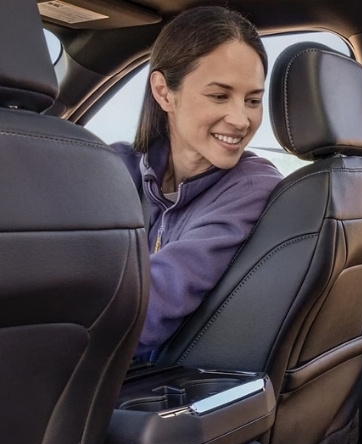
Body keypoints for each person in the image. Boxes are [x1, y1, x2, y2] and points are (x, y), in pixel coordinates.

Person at [113, 6, 282, 361]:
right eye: (220, 96)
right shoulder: (113, 169)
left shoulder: (251, 188)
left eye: (252, 100)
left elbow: (145, 309)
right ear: (163, 92)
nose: (240, 119)